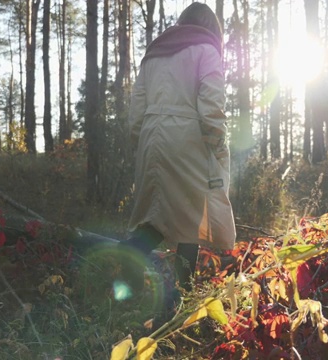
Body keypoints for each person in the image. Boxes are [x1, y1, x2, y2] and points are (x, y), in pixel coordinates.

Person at [124, 2, 236, 306]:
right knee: (189, 219)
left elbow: (136, 112)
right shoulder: (207, 50)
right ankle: (178, 300)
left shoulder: (154, 54)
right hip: (187, 140)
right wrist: (218, 145)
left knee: (154, 216)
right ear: (212, 28)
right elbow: (211, 107)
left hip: (151, 138)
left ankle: (126, 283)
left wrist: (143, 142)